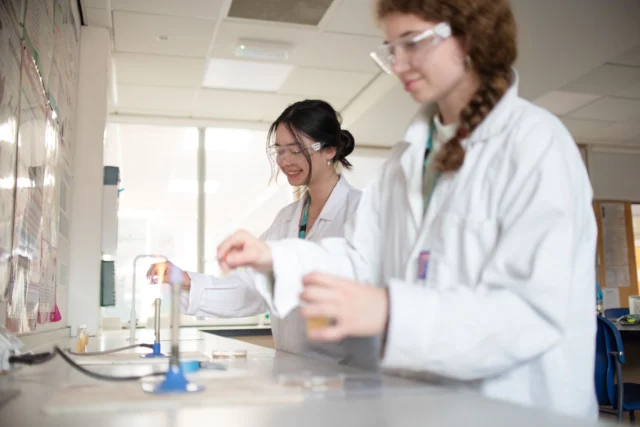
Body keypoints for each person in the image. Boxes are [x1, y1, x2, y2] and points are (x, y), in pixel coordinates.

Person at [215, 0, 598, 419]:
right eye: (390, 49)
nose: (398, 65)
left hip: (520, 410)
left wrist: (391, 312)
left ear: (471, 37)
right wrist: (275, 257)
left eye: (412, 43)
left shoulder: (535, 145)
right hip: (424, 408)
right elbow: (360, 257)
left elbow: (531, 311)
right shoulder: (407, 159)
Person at [147, 99, 378, 370]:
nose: (285, 161)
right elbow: (253, 288)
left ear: (329, 150)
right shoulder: (288, 218)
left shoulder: (363, 212)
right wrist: (186, 281)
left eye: (296, 150)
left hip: (347, 375)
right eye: (279, 150)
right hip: (292, 369)